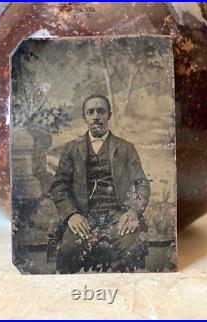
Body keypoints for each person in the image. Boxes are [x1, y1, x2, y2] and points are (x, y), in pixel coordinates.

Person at [50, 94, 150, 273]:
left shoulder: (126, 148)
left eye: (101, 111)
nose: (96, 116)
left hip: (118, 216)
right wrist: (71, 214)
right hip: (83, 216)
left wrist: (133, 211)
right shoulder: (71, 149)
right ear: (84, 117)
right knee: (67, 250)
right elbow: (60, 187)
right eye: (90, 112)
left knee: (130, 247)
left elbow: (141, 183)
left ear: (109, 115)